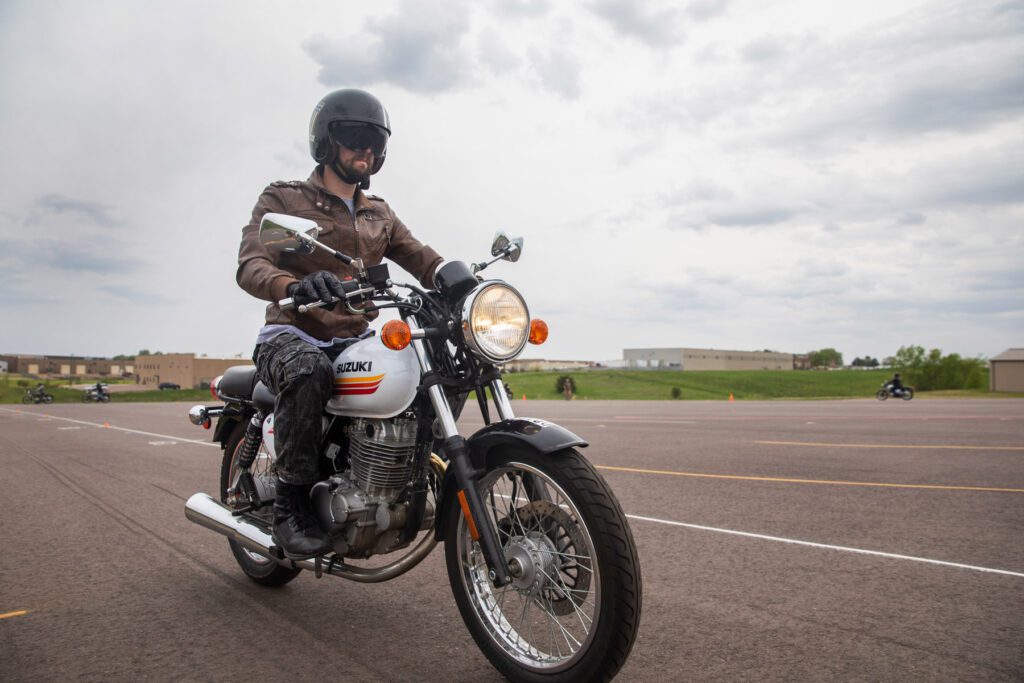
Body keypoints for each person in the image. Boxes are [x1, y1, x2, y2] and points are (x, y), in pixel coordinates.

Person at [236, 89, 444, 559]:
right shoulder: (284, 199)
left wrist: (460, 282)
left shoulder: (379, 213)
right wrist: (292, 286)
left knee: (426, 364)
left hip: (355, 338)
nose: (364, 149)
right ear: (327, 141)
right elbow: (251, 263)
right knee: (309, 369)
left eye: (374, 141)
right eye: (353, 137)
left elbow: (422, 258)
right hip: (291, 333)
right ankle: (291, 504)